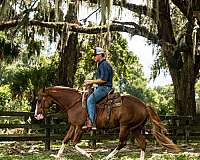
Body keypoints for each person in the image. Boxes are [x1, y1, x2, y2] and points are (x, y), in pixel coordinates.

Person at [82, 47, 113, 130]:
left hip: (105, 88)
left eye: (95, 55)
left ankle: (91, 122)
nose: (94, 57)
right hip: (102, 87)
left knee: (90, 100)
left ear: (100, 55)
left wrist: (91, 81)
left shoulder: (104, 64)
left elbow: (103, 80)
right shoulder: (102, 64)